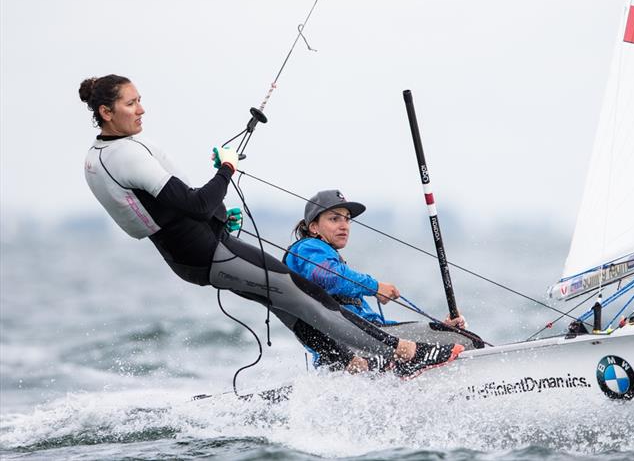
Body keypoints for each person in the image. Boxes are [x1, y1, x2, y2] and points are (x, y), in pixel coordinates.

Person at [80, 74, 464, 378]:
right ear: (106, 111)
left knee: (285, 302)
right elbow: (196, 204)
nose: (142, 109)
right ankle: (407, 354)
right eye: (131, 103)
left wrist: (219, 216)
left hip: (192, 255)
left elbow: (163, 214)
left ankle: (348, 364)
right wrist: (226, 168)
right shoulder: (127, 155)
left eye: (139, 100)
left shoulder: (99, 158)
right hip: (208, 252)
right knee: (305, 294)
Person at [285, 189, 476, 373]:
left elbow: (376, 325)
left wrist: (441, 327)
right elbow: (329, 277)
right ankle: (402, 367)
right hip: (354, 345)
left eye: (347, 219)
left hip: (363, 342)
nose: (344, 225)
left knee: (448, 333)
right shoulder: (308, 247)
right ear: (314, 227)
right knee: (467, 341)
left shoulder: (322, 253)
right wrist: (375, 287)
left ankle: (399, 367)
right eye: (335, 219)